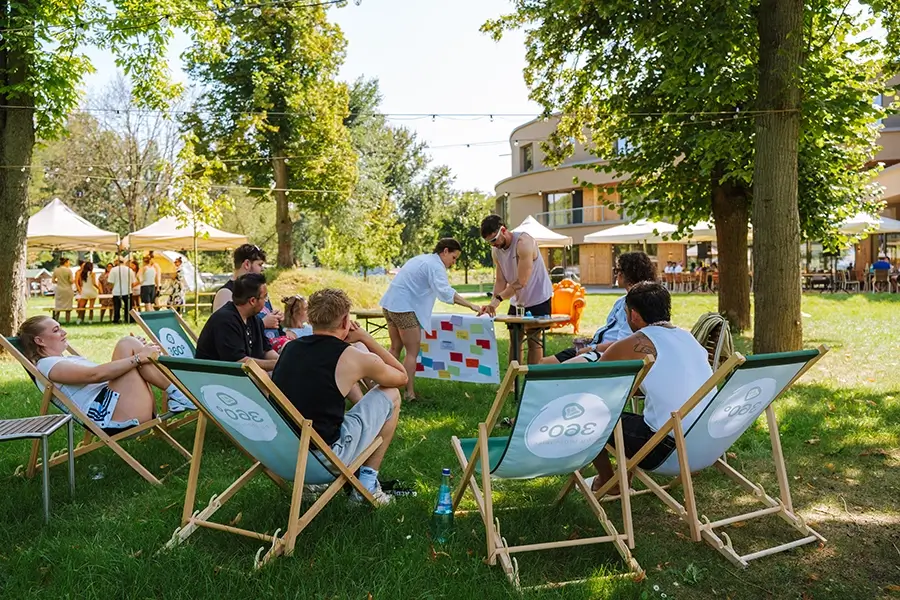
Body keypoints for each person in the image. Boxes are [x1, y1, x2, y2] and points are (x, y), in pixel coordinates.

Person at [272, 288, 407, 505]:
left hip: (284, 454)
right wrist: (365, 338)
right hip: (324, 459)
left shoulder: (290, 349)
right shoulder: (351, 356)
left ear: (311, 318)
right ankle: (367, 485)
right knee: (391, 395)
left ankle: (311, 486)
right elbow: (401, 377)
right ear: (345, 320)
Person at [587, 282, 714, 494]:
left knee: (591, 416)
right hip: (708, 443)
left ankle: (610, 482)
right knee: (636, 418)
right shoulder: (688, 338)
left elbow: (593, 387)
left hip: (666, 451)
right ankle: (620, 475)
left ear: (634, 315)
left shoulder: (631, 344)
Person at [17, 316, 195, 432]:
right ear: (39, 341)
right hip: (114, 418)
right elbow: (95, 375)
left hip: (121, 406)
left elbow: (108, 373)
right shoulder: (48, 365)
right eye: (56, 330)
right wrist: (139, 356)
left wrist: (136, 352)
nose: (64, 332)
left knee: (129, 345)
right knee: (127, 344)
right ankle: (180, 393)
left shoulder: (65, 359)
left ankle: (178, 393)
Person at [379, 238, 482, 400]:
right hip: (403, 308)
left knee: (395, 348)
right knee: (412, 352)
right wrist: (471, 306)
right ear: (445, 251)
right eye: (454, 258)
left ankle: (383, 388)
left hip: (389, 304)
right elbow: (445, 292)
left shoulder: (421, 259)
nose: (454, 263)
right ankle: (409, 393)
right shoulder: (435, 266)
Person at [543, 251, 656, 364]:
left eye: (617, 270)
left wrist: (592, 348)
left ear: (627, 273)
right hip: (593, 347)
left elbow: (623, 344)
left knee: (561, 370)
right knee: (543, 364)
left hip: (605, 353)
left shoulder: (636, 306)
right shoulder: (621, 301)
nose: (616, 274)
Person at [477, 215, 554, 364]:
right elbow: (500, 280)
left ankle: (532, 380)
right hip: (517, 300)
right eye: (489, 242)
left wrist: (499, 299)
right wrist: (492, 302)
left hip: (538, 297)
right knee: (515, 339)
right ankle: (513, 383)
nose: (493, 245)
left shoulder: (524, 243)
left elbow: (521, 282)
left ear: (503, 230)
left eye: (494, 240)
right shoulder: (496, 251)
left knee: (534, 340)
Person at [195, 273, 280, 371]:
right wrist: (275, 365)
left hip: (239, 376)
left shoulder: (253, 319)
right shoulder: (225, 321)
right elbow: (238, 361)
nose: (266, 301)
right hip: (215, 379)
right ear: (252, 301)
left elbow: (266, 350)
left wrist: (282, 362)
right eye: (264, 297)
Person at [213, 244, 284, 345]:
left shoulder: (258, 290)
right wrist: (263, 323)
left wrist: (277, 319)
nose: (262, 269)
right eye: (259, 265)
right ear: (247, 264)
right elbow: (224, 331)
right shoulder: (225, 293)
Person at [108, 256, 136, 324]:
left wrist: (112, 288)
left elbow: (111, 282)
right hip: (128, 290)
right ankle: (128, 319)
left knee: (117, 307)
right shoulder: (129, 270)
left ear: (116, 261)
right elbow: (133, 282)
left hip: (117, 291)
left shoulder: (113, 270)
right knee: (128, 307)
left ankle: (116, 319)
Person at [51, 257, 75, 323]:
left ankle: (56, 321)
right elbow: (71, 281)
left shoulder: (56, 270)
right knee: (68, 307)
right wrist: (74, 281)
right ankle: (67, 321)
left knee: (58, 306)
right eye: (68, 262)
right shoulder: (68, 270)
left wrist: (59, 282)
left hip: (59, 289)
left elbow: (53, 281)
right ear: (66, 262)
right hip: (67, 290)